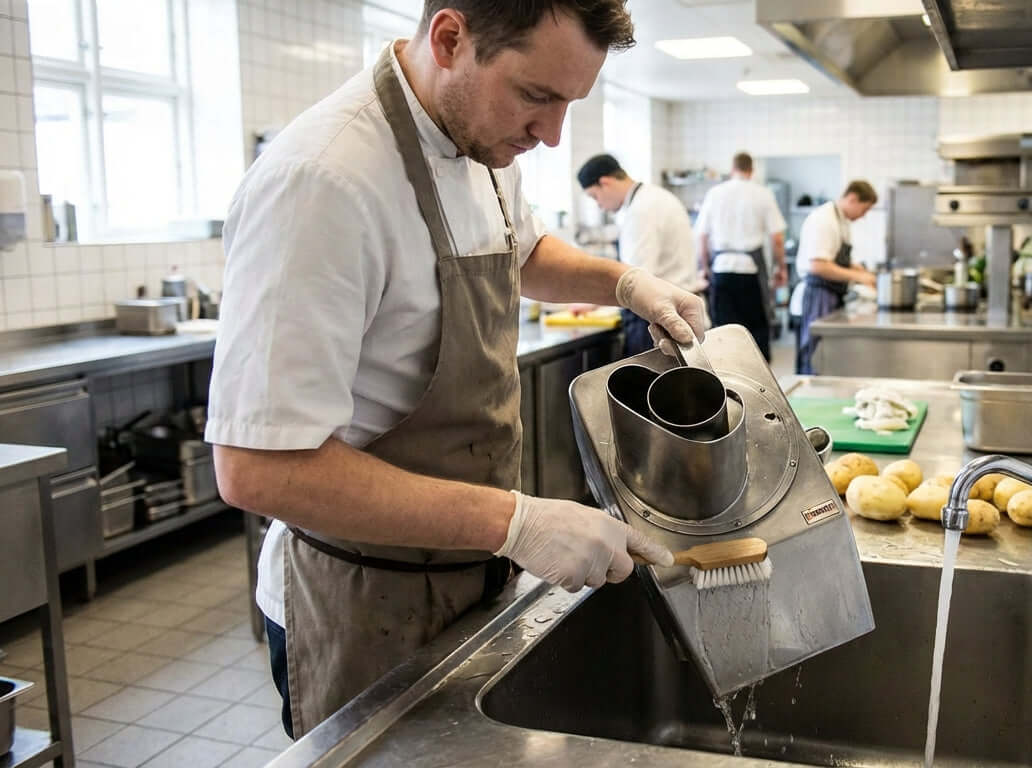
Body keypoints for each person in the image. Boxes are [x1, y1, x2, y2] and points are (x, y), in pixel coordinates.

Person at [206, 1, 702, 739]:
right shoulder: (323, 181)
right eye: (536, 96)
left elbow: (523, 250)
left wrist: (625, 283)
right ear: (449, 39)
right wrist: (515, 521)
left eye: (569, 103)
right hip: (364, 603)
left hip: (469, 577)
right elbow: (257, 468)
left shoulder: (482, 143)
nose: (551, 134)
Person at [578, 153, 700, 356]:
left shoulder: (640, 211)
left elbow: (634, 280)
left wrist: (593, 301)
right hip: (675, 308)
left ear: (605, 183)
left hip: (656, 319)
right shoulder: (656, 197)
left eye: (594, 197)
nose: (599, 206)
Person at [694, 152, 787, 360]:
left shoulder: (715, 193)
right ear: (751, 171)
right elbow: (778, 238)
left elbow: (702, 236)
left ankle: (726, 375)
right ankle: (759, 376)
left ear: (732, 169)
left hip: (721, 271)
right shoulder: (762, 193)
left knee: (723, 333)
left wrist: (705, 268)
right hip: (751, 273)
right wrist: (781, 268)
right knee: (756, 331)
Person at [795, 180, 879, 374]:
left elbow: (837, 259)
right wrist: (860, 277)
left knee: (828, 355)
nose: (863, 216)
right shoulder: (824, 220)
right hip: (818, 296)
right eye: (864, 209)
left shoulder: (841, 221)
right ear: (852, 199)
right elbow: (818, 266)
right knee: (816, 355)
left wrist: (860, 270)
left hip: (831, 294)